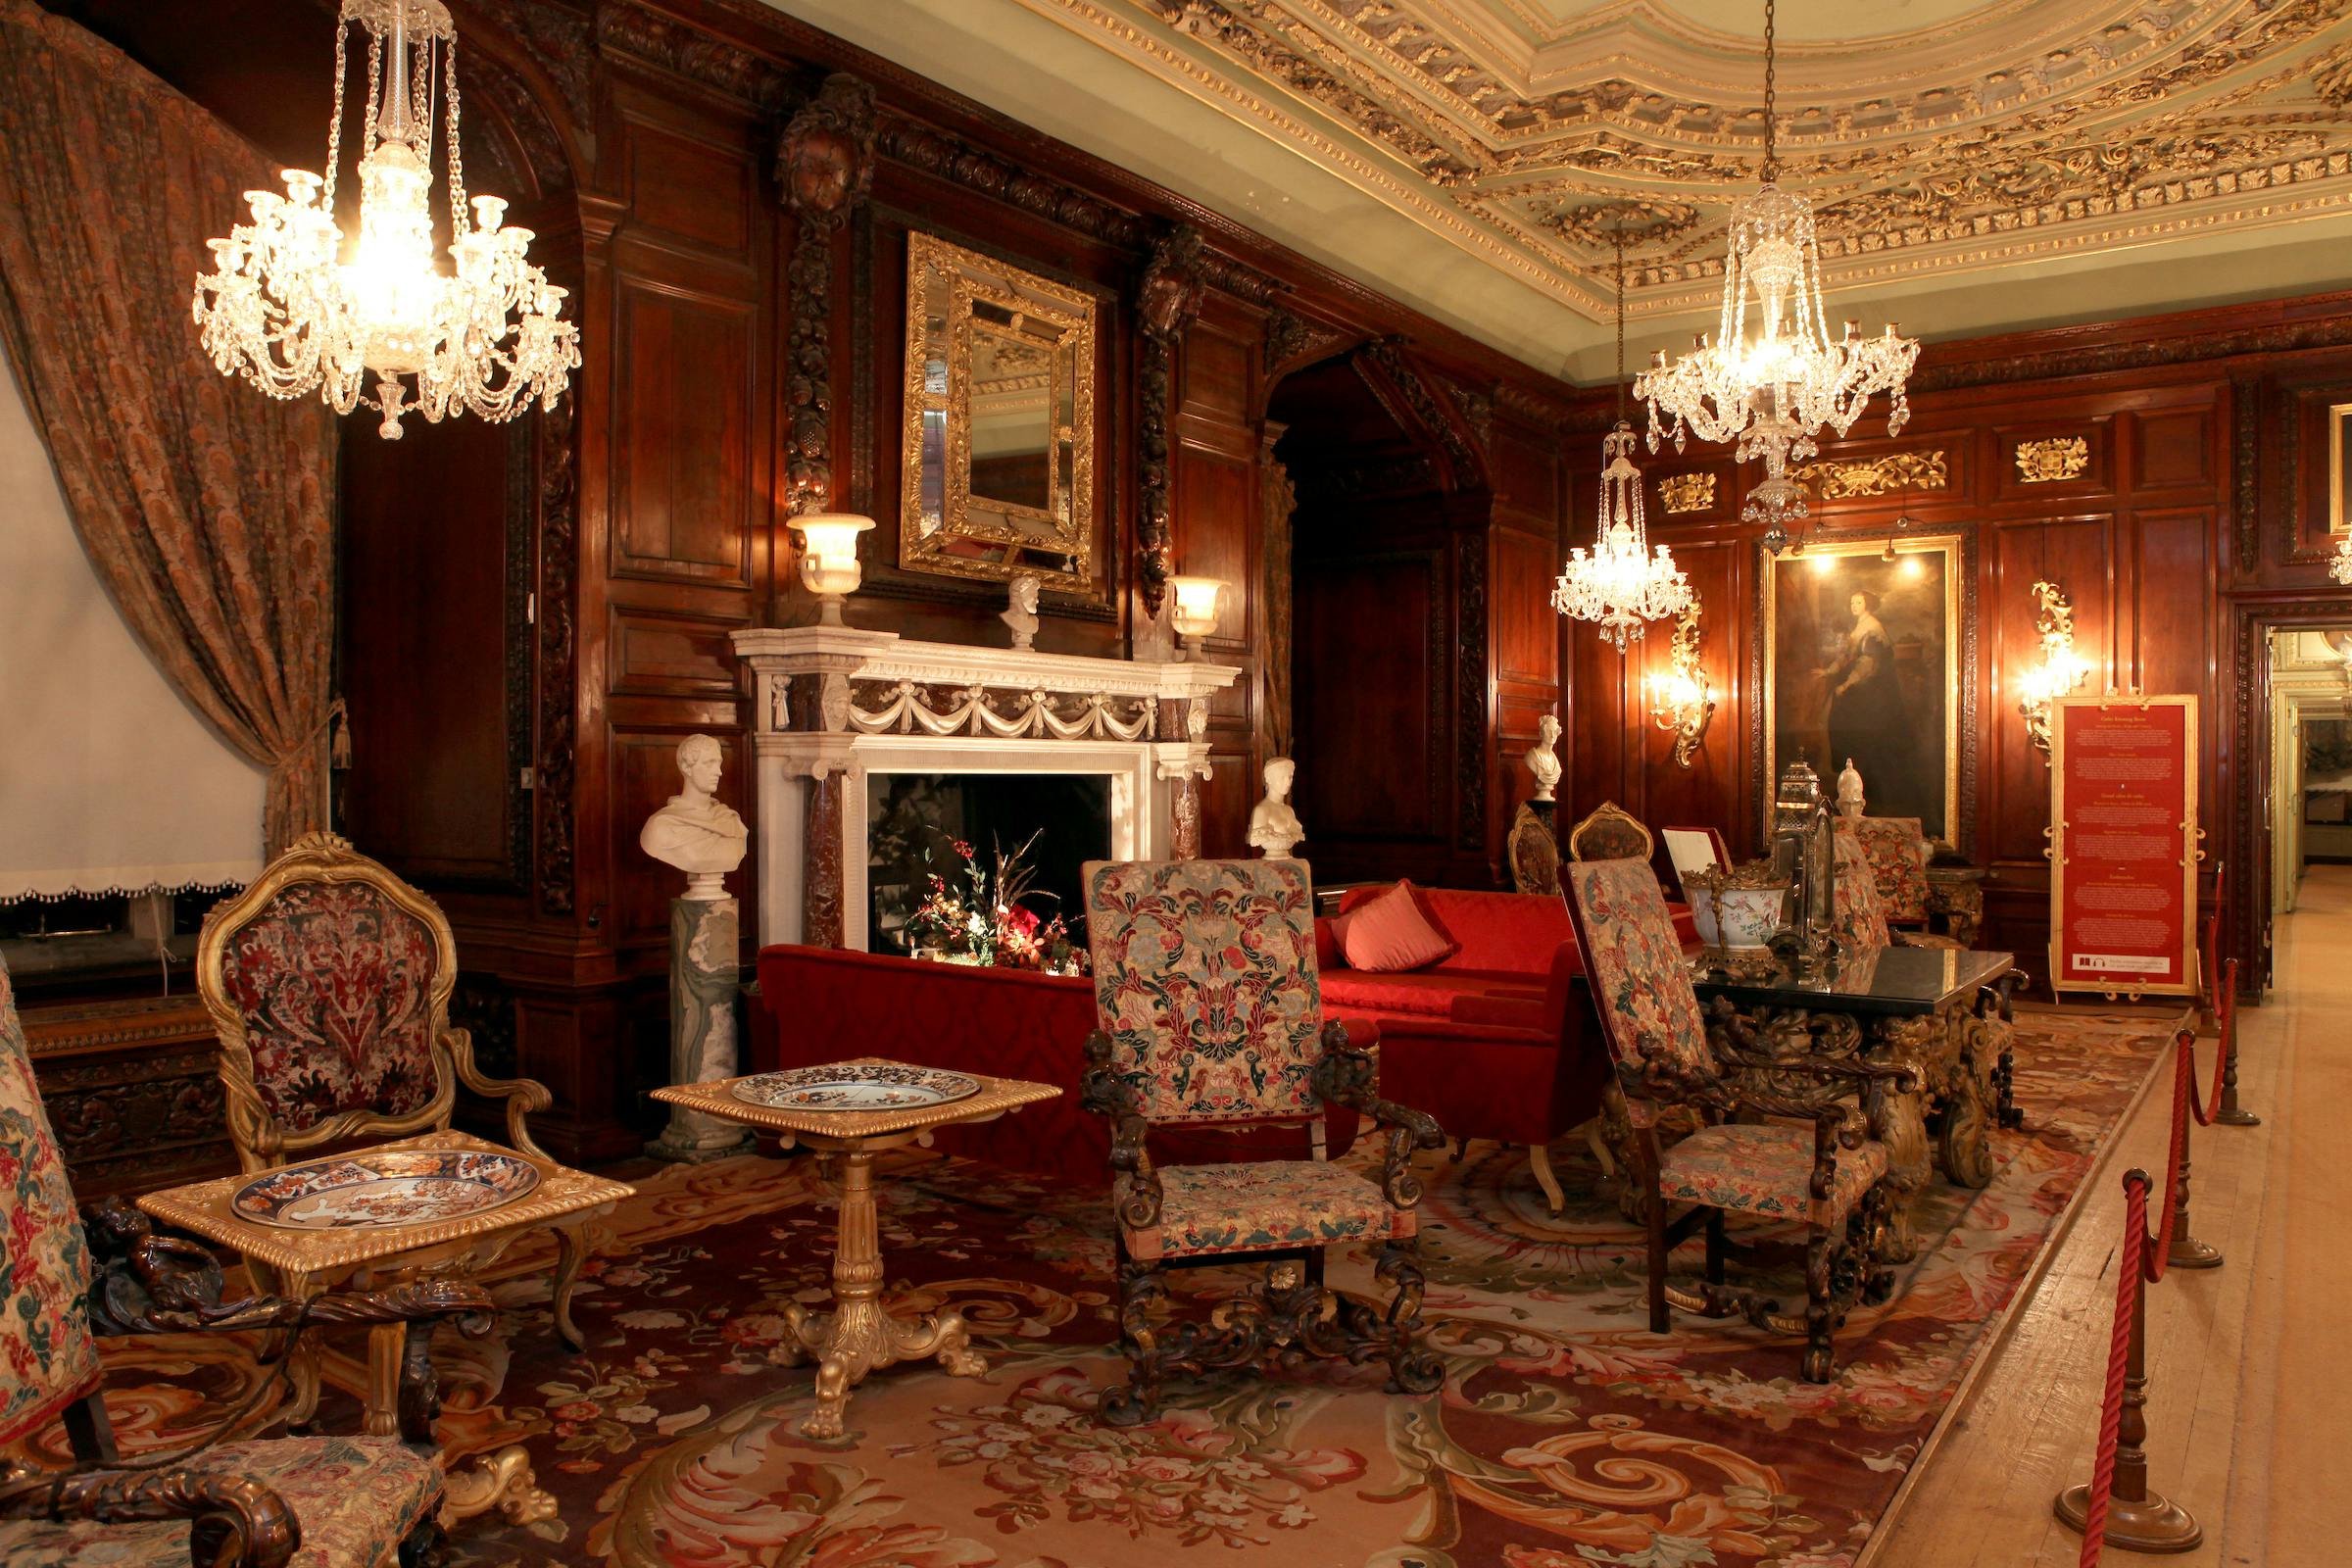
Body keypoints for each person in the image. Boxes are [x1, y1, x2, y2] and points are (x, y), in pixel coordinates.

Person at [1820, 592, 1916, 823]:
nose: (1854, 605)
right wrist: (1830, 672)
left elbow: (1868, 664)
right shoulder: (1859, 627)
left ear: (1868, 604)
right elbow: (1847, 655)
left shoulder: (1873, 629)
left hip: (1872, 695)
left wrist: (1846, 684)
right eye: (1852, 601)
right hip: (1862, 691)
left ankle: (1868, 790)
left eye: (1859, 602)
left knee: (1863, 736)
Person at [640, 734, 749, 896]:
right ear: (686, 767)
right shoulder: (661, 825)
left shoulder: (729, 820)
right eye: (709, 764)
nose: (718, 772)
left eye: (719, 763)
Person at [1248, 758, 1304, 858]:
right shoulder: (1262, 810)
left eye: (1290, 777)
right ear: (1269, 779)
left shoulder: (1289, 810)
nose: (1288, 782)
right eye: (1282, 777)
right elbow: (1256, 838)